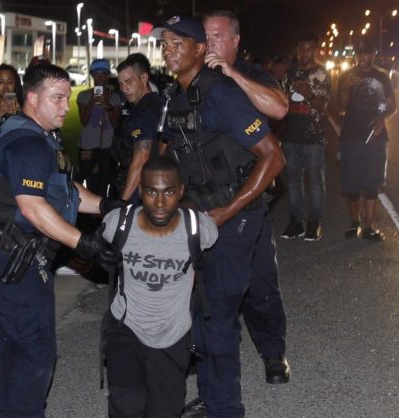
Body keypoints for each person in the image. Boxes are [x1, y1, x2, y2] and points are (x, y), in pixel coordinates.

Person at [0, 63, 122, 417]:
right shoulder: (26, 144)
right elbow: (33, 207)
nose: (66, 107)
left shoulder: (40, 138)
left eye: (67, 98)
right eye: (57, 98)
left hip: (2, 256)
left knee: (8, 351)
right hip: (12, 262)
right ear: (33, 98)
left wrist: (109, 206)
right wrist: (85, 244)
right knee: (31, 354)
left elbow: (65, 192)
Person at [152, 15, 285, 418]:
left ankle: (226, 407)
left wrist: (229, 210)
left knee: (219, 313)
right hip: (197, 218)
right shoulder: (175, 97)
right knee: (200, 312)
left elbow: (273, 157)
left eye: (179, 43)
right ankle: (214, 397)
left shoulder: (221, 95)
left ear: (200, 50)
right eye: (165, 43)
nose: (169, 50)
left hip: (235, 216)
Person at [101, 156, 218, 417]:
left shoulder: (199, 229)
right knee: (127, 404)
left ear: (181, 192)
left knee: (164, 411)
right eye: (152, 192)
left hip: (173, 335)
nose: (161, 203)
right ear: (141, 191)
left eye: (169, 192)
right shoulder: (117, 224)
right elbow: (97, 250)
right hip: (126, 327)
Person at [336, 40, 396, 241]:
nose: (363, 58)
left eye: (367, 53)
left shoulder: (382, 76)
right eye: (359, 54)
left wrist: (381, 117)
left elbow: (389, 104)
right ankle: (354, 223)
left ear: (374, 53)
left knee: (372, 182)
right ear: (355, 55)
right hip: (351, 136)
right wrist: (345, 88)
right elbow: (340, 107)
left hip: (376, 137)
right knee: (351, 183)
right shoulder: (347, 76)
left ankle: (369, 226)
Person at [278, 32, 332, 241]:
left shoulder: (321, 74)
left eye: (309, 49)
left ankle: (314, 222)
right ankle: (296, 221)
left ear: (316, 50)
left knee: (316, 182)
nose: (304, 53)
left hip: (314, 137)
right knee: (293, 182)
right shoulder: (290, 73)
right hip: (291, 134)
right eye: (301, 49)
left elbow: (323, 106)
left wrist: (309, 93)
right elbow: (282, 101)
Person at [111, 53, 163, 203]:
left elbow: (141, 159)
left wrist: (123, 202)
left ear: (144, 78)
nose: (124, 89)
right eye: (120, 84)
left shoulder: (142, 112)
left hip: (139, 190)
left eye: (129, 82)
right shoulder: (156, 102)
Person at [77, 58, 122, 197]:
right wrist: (92, 102)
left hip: (108, 147)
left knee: (107, 182)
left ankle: (104, 212)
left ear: (108, 75)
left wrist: (108, 106)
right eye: (96, 74)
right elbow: (84, 122)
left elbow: (115, 124)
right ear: (92, 76)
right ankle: (88, 215)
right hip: (88, 146)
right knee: (89, 182)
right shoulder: (83, 96)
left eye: (103, 74)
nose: (100, 78)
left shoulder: (115, 98)